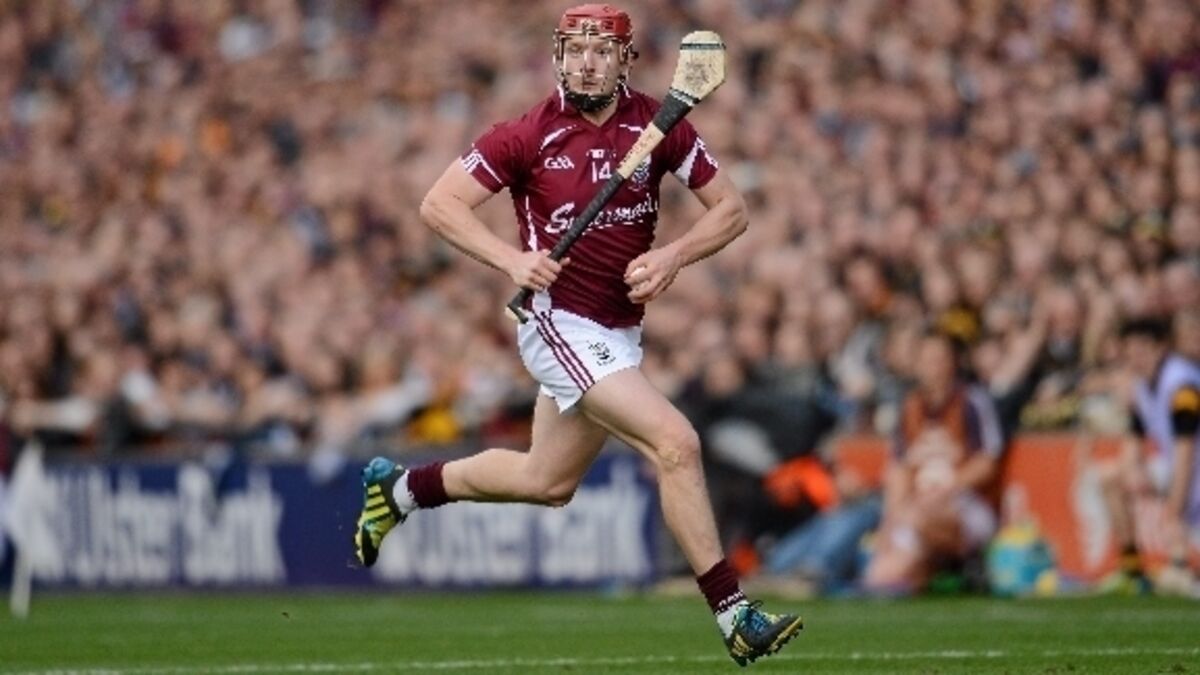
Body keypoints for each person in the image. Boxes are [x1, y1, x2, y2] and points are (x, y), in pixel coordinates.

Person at [352, 4, 801, 666]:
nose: (587, 63)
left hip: (617, 332)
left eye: (601, 50)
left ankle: (400, 490)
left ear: (625, 59)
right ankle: (735, 614)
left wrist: (675, 255)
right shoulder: (526, 134)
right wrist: (511, 260)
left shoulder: (660, 124)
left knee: (546, 480)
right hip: (558, 322)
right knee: (676, 443)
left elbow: (731, 209)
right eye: (575, 50)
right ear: (559, 56)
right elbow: (438, 203)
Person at [863, 331, 1005, 594]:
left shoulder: (972, 401)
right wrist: (890, 520)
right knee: (878, 577)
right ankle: (946, 570)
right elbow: (900, 468)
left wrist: (945, 490)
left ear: (953, 363)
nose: (934, 368)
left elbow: (986, 462)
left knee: (920, 521)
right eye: (927, 360)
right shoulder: (910, 407)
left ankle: (967, 559)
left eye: (940, 359)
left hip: (966, 504)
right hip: (918, 506)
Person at [1099, 317, 1200, 595]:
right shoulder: (1142, 385)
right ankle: (1132, 570)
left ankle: (1182, 566)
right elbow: (1134, 438)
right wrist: (1132, 470)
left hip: (1191, 471)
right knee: (1111, 478)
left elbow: (1187, 450)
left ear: (1160, 348)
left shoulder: (1182, 385)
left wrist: (1173, 510)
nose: (1136, 358)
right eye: (1130, 351)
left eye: (1142, 349)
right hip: (1177, 468)